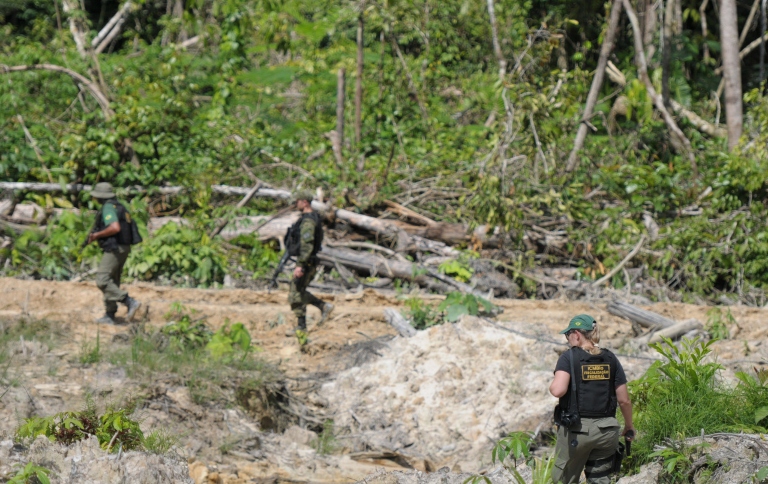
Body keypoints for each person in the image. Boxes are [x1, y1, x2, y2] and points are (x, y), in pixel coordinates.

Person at [549, 314, 635, 484]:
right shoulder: (610, 358)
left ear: (577, 335)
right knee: (600, 480)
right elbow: (624, 400)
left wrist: (551, 385)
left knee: (562, 480)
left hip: (577, 431)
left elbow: (558, 390)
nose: (567, 339)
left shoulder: (568, 357)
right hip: (607, 431)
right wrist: (629, 426)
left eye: (568, 335)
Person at [85, 182, 142, 325]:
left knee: (102, 280)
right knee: (112, 281)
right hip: (123, 247)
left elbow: (115, 227)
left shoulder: (108, 208)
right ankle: (110, 315)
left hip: (115, 248)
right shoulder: (119, 206)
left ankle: (129, 301)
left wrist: (97, 235)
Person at [287, 190, 333, 346]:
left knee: (295, 292)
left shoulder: (308, 221)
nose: (296, 204)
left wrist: (300, 265)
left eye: (297, 201)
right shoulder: (309, 219)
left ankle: (302, 327)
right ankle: (322, 307)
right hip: (308, 262)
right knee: (297, 291)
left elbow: (307, 245)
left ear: (305, 202)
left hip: (307, 263)